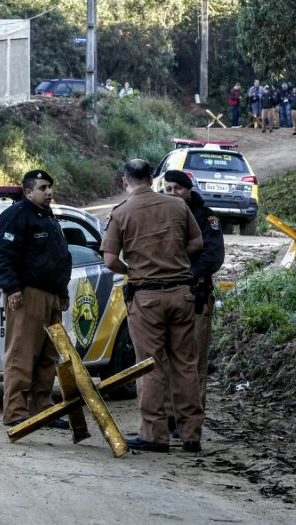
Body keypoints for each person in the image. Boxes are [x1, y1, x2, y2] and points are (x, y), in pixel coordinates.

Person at [100, 159, 203, 453]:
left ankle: (155, 434)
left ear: (125, 182)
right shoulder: (177, 206)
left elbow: (109, 260)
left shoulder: (122, 212)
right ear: (151, 178)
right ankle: (191, 434)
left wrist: (134, 269)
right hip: (182, 294)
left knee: (150, 366)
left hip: (147, 298)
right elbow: (197, 243)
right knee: (185, 364)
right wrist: (174, 258)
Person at [0, 170, 72, 430]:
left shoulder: (47, 217)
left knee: (48, 357)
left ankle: (42, 409)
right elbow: (2, 257)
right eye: (43, 188)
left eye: (50, 187)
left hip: (51, 296)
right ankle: (15, 412)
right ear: (28, 192)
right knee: (22, 354)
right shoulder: (16, 217)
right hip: (27, 295)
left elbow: (58, 259)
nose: (48, 192)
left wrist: (63, 293)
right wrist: (12, 289)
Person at [160, 169, 225, 420]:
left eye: (178, 188)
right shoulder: (162, 212)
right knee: (164, 360)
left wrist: (188, 274)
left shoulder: (205, 216)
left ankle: (190, 420)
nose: (173, 193)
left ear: (189, 190)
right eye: (169, 189)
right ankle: (167, 418)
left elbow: (213, 255)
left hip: (195, 295)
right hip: (166, 295)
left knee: (194, 362)